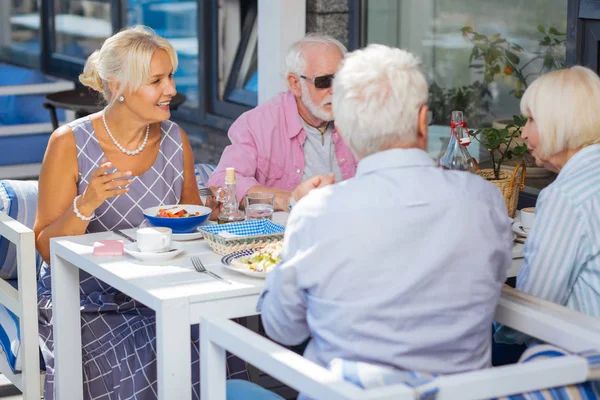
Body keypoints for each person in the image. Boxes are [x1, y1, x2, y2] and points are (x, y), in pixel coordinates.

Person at [241, 44, 512, 398]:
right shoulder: (484, 201)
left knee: (232, 388)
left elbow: (282, 329)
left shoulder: (318, 212)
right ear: (422, 120)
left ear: (347, 129)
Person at [33, 26, 246, 400]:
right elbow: (48, 249)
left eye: (171, 77)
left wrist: (211, 212)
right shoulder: (69, 142)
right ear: (117, 86)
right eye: (156, 80)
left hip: (165, 288)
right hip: (88, 298)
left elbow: (191, 220)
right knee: (149, 348)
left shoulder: (174, 138)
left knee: (217, 335)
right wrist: (86, 204)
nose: (172, 90)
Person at [495, 66, 600, 345]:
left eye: (531, 120)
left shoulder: (566, 196)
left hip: (581, 366)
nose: (524, 133)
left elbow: (535, 309)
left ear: (560, 123)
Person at [206, 34, 358, 211]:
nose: (335, 91)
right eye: (324, 82)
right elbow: (223, 181)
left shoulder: (361, 114)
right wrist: (288, 199)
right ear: (295, 84)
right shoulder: (258, 123)